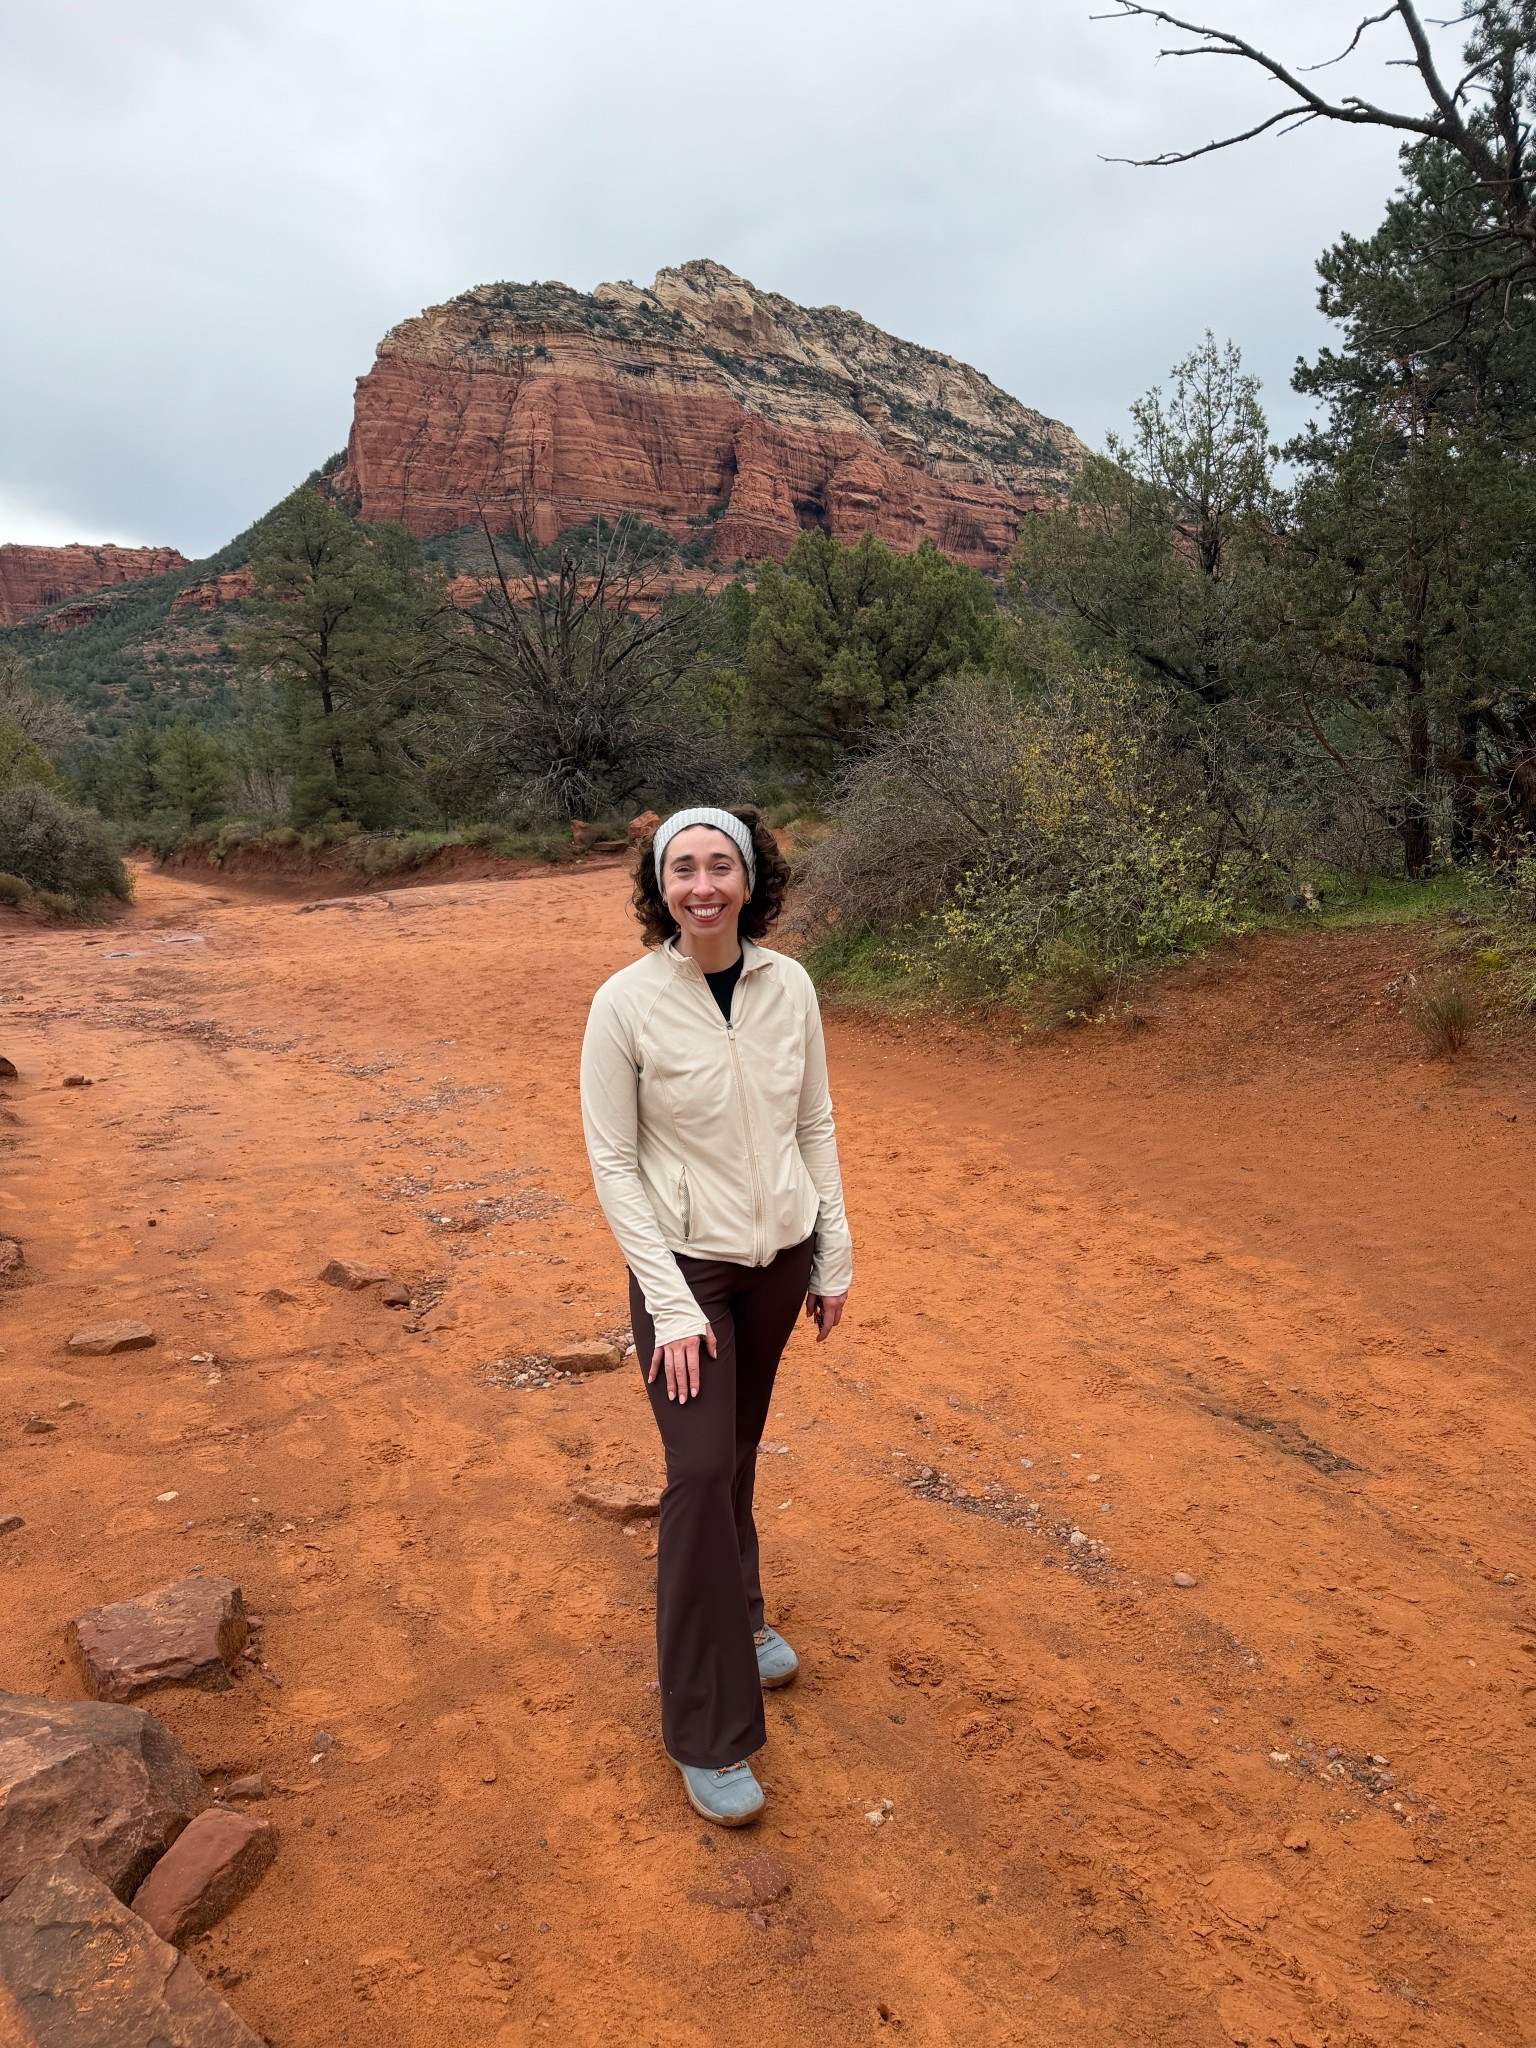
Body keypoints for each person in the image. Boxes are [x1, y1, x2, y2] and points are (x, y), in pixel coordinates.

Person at [580, 804, 853, 1826]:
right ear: (662, 885)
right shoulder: (626, 1003)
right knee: (697, 1471)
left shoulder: (790, 985)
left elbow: (813, 1120)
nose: (703, 884)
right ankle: (704, 1726)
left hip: (778, 1258)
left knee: (736, 1448)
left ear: (750, 879)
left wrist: (833, 1249)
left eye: (720, 866)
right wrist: (667, 1301)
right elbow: (613, 1159)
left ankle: (741, 1616)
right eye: (683, 868)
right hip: (684, 1271)